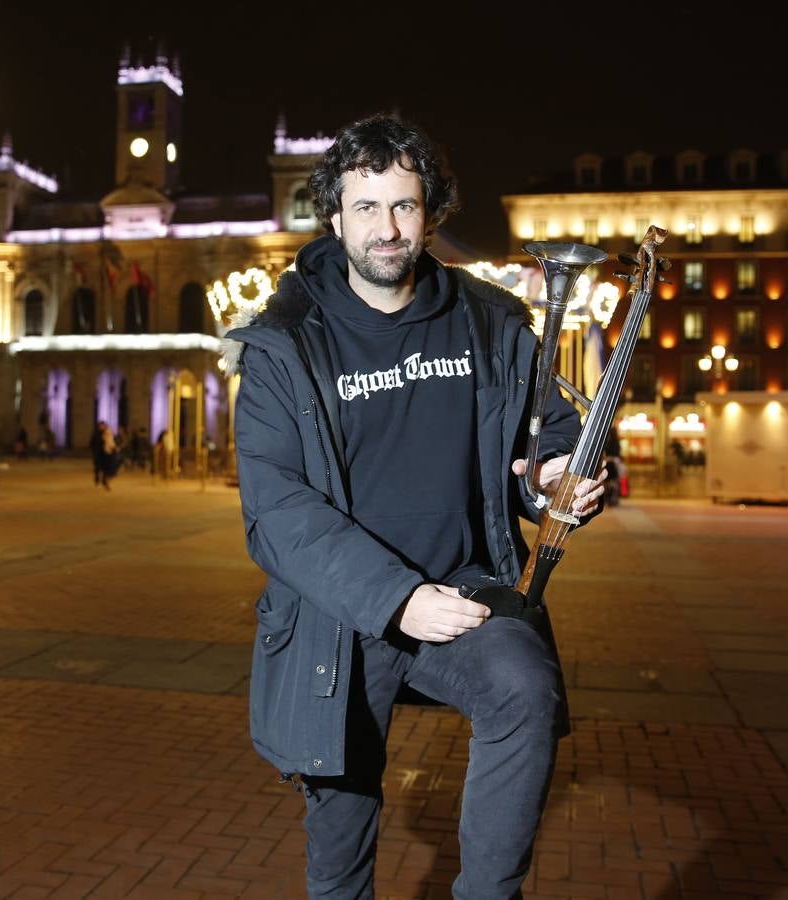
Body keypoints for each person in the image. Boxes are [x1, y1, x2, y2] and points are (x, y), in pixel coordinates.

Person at [225, 113, 604, 898]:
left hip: (462, 588)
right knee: (340, 831)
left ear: (430, 210)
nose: (387, 227)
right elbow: (276, 509)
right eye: (366, 208)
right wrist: (396, 598)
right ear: (335, 217)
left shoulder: (490, 321)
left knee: (525, 690)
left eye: (404, 205)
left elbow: (550, 427)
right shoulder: (283, 344)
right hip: (340, 613)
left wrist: (557, 477)